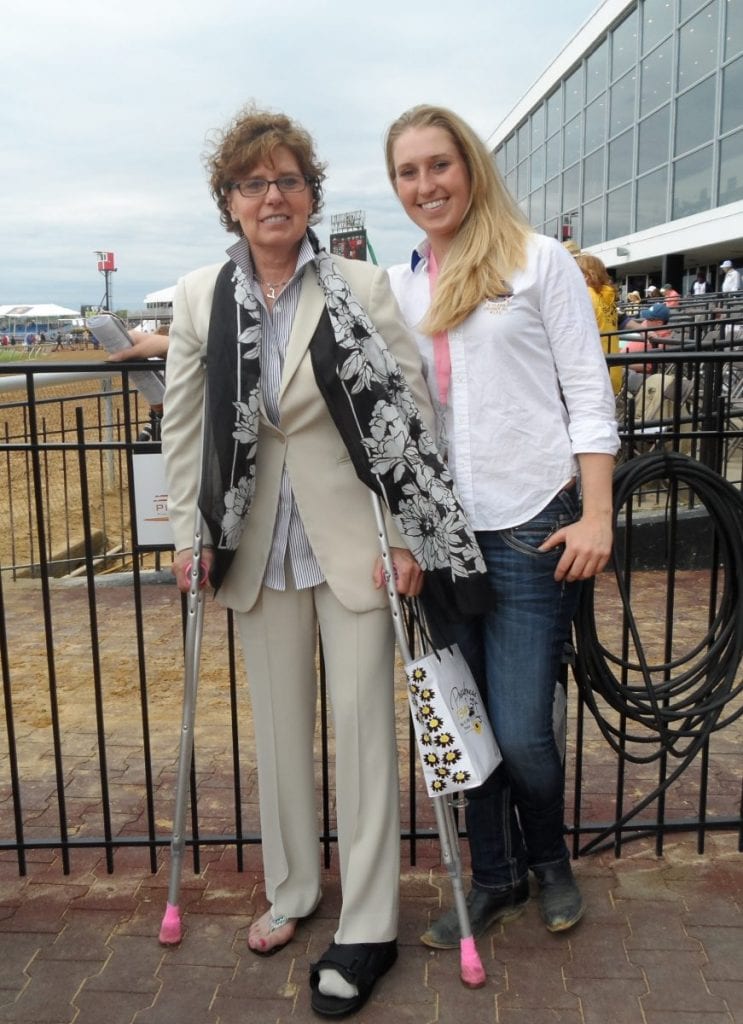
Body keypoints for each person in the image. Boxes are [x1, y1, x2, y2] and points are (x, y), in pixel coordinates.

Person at [160, 104, 486, 1018]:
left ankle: (370, 921)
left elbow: (407, 417)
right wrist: (190, 534)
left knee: (365, 737)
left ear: (312, 194)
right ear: (229, 200)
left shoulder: (359, 285)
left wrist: (413, 537)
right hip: (253, 542)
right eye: (254, 183)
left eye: (289, 180)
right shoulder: (199, 297)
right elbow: (184, 427)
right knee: (278, 735)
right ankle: (296, 889)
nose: (274, 196)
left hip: (358, 544)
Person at [383, 104, 619, 946]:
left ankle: (549, 860)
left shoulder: (535, 262)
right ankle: (493, 877)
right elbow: (393, 421)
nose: (424, 185)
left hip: (529, 522)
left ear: (470, 167)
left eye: (437, 165)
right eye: (407, 172)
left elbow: (588, 394)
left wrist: (597, 513)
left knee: (521, 727)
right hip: (443, 535)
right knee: (465, 718)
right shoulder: (402, 283)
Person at [574, 252, 622, 394]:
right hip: (612, 369)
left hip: (592, 373)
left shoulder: (585, 295)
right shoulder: (607, 297)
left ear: (585, 276)